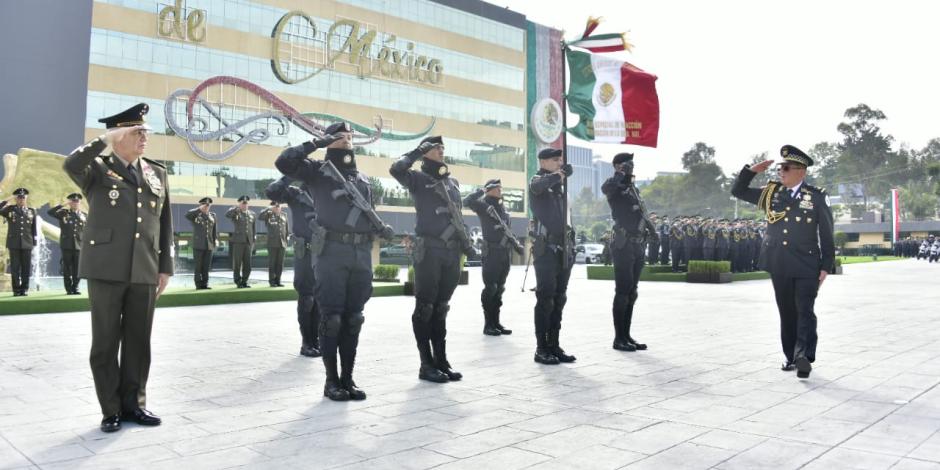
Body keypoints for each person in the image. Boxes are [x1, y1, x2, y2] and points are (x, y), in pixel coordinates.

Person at [63, 103, 173, 432]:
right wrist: (104, 139)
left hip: (145, 267)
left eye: (145, 133)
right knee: (106, 342)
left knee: (139, 341)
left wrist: (164, 266)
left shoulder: (157, 172)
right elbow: (71, 164)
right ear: (119, 136)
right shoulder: (95, 168)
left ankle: (135, 405)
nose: (144, 138)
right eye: (137, 133)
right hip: (106, 267)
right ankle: (110, 409)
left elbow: (163, 223)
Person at [277, 122, 390, 400]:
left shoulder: (362, 179)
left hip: (360, 254)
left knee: (354, 318)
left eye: (350, 136)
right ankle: (331, 382)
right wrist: (315, 144)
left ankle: (348, 379)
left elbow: (368, 213)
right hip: (331, 253)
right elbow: (284, 162)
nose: (347, 140)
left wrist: (379, 229)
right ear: (328, 139)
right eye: (340, 136)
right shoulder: (317, 171)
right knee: (333, 319)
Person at [731, 144, 834, 379]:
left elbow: (827, 232)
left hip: (807, 263)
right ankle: (791, 356)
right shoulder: (771, 193)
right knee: (787, 311)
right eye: (780, 168)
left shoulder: (816, 196)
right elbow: (738, 191)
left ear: (801, 171)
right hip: (778, 261)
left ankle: (803, 356)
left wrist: (827, 266)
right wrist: (750, 171)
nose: (781, 172)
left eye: (786, 168)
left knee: (805, 309)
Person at [390, 136, 470, 382]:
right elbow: (396, 169)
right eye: (436, 148)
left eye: (443, 147)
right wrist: (416, 151)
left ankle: (441, 360)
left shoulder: (452, 182)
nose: (441, 150)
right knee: (425, 307)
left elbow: (457, 215)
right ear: (426, 152)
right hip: (429, 251)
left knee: (441, 308)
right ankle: (426, 364)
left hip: (451, 252)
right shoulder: (418, 178)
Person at [602, 152, 657, 352]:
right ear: (617, 165)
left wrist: (651, 230)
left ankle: (627, 335)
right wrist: (620, 174)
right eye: (627, 163)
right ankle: (618, 338)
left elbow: (641, 212)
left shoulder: (633, 188)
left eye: (631, 164)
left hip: (637, 243)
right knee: (623, 291)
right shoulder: (613, 185)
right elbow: (607, 189)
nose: (631, 166)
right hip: (623, 244)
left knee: (632, 292)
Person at [529, 148, 577, 365]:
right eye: (555, 160)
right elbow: (538, 186)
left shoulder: (559, 187)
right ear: (544, 161)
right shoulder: (538, 181)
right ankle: (541, 348)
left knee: (560, 298)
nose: (560, 163)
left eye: (560, 160)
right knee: (545, 298)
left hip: (564, 247)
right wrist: (558, 175)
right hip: (546, 249)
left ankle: (554, 344)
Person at [266, 176, 321, 358]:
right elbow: (272, 191)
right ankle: (306, 342)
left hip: (323, 254)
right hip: (304, 253)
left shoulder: (325, 194)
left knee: (320, 300)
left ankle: (316, 340)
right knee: (307, 298)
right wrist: (291, 174)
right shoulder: (296, 194)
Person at [463, 178, 522, 336]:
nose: (500, 190)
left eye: (500, 188)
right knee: (491, 288)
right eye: (496, 188)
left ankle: (496, 322)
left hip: (504, 253)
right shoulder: (483, 205)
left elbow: (508, 231)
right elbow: (466, 201)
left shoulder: (502, 208)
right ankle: (488, 324)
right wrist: (482, 190)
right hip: (492, 253)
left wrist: (516, 245)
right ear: (490, 189)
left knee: (500, 289)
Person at [0, 188, 38, 296]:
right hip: (14, 243)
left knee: (26, 268)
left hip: (27, 243)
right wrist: (8, 199)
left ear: (26, 198)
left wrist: (34, 243)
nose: (21, 199)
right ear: (16, 199)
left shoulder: (32, 211)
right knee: (15, 268)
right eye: (19, 197)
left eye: (23, 197)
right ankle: (16, 290)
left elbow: (34, 228)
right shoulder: (10, 210)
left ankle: (24, 289)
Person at [48, 193, 87, 295]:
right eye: (73, 201)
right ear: (70, 203)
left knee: (77, 268)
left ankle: (76, 287)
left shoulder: (84, 215)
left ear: (80, 203)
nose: (75, 203)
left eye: (77, 201)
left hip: (79, 245)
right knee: (67, 268)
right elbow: (50, 212)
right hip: (67, 245)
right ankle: (69, 288)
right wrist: (63, 204)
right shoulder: (64, 213)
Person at [185, 197, 219, 290]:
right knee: (198, 266)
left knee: (206, 266)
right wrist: (199, 209)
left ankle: (205, 283)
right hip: (198, 244)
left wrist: (215, 239)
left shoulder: (213, 215)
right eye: (205, 205)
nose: (206, 207)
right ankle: (198, 285)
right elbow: (187, 215)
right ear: (201, 205)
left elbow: (214, 230)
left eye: (208, 205)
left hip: (209, 244)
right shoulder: (196, 215)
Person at [226, 196, 256, 288]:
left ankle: (244, 281)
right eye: (243, 203)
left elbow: (253, 228)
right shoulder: (236, 212)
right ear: (240, 203)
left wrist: (253, 241)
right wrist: (237, 207)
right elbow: (227, 214)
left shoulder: (252, 214)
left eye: (246, 203)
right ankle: (238, 282)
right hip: (238, 241)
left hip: (248, 242)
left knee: (248, 264)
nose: (245, 205)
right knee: (237, 264)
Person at [259, 201, 289, 287]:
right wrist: (269, 208)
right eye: (275, 207)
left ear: (280, 207)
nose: (277, 208)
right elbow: (260, 216)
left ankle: (278, 280)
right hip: (272, 243)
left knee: (280, 263)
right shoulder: (268, 214)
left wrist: (286, 241)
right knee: (272, 263)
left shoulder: (284, 215)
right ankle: (272, 281)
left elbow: (286, 229)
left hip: (282, 243)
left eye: (278, 206)